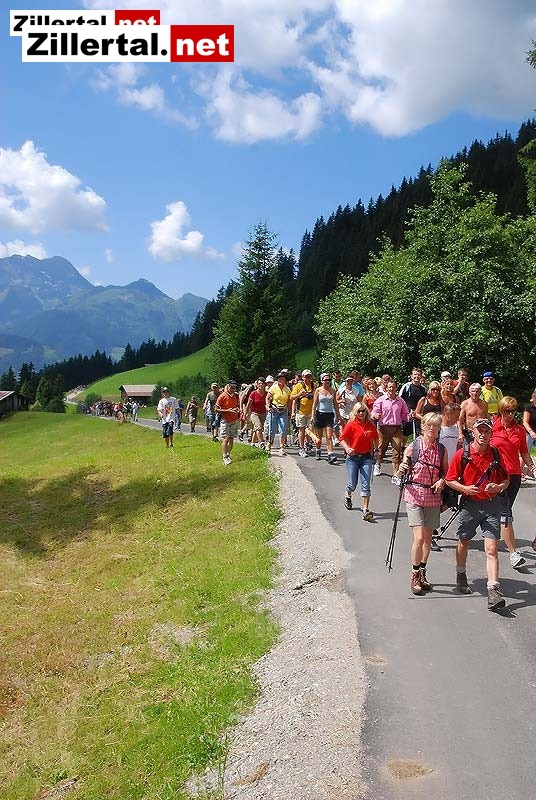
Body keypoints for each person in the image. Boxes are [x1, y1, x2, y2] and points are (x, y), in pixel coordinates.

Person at [445, 418, 510, 611]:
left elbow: (506, 480)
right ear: (472, 432)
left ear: (491, 434)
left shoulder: (495, 453)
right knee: (464, 541)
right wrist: (465, 489)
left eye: (486, 431)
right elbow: (449, 479)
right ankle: (461, 573)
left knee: (492, 549)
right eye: (479, 430)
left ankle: (493, 590)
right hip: (470, 505)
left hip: (491, 505)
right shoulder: (463, 454)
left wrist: (498, 487)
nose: (483, 434)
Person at [398, 412, 448, 595]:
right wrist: (402, 468)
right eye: (429, 425)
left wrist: (442, 481)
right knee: (419, 538)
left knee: (428, 539)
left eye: (436, 426)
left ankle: (422, 571)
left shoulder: (441, 449)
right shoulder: (414, 446)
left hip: (432, 497)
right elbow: (402, 469)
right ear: (423, 426)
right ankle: (414, 574)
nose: (432, 429)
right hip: (414, 495)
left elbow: (446, 472)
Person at [490, 396, 535, 569]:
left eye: (513, 411)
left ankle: (493, 535)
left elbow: (524, 452)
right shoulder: (493, 427)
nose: (511, 414)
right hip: (496, 475)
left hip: (514, 476)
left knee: (503, 510)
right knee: (505, 512)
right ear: (501, 411)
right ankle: (513, 553)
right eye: (507, 411)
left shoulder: (519, 430)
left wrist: (532, 467)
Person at [339, 403, 378, 520]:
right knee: (353, 484)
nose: (361, 413)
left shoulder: (370, 425)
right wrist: (347, 448)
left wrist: (376, 450)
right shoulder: (351, 425)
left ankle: (365, 510)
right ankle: (348, 494)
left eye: (363, 411)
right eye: (359, 411)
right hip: (353, 458)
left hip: (366, 458)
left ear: (366, 412)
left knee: (366, 484)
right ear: (355, 412)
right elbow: (342, 438)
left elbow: (375, 437)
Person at [371, 380, 410, 477]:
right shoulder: (381, 400)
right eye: (389, 387)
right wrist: (375, 415)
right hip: (383, 429)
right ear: (386, 388)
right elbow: (374, 411)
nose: (391, 389)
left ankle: (396, 474)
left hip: (396, 429)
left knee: (397, 452)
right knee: (381, 449)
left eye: (393, 387)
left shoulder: (401, 401)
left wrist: (409, 417)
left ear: (396, 388)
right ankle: (377, 464)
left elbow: (405, 414)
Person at [311, 373, 341, 463]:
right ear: (321, 381)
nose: (327, 381)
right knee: (319, 436)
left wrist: (338, 415)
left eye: (329, 380)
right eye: (325, 380)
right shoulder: (318, 390)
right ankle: (318, 450)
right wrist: (312, 416)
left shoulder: (333, 390)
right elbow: (314, 404)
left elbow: (335, 404)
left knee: (329, 436)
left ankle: (330, 454)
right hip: (319, 414)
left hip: (329, 414)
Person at [290, 369, 317, 457]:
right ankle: (301, 448)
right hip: (301, 412)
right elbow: (292, 397)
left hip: (311, 412)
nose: (308, 378)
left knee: (310, 430)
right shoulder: (299, 385)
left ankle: (307, 444)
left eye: (309, 377)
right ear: (303, 377)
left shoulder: (314, 385)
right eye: (306, 377)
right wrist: (300, 394)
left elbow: (317, 396)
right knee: (301, 430)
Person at [214, 382, 241, 465]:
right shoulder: (222, 396)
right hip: (225, 420)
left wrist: (238, 410)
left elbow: (238, 405)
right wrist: (227, 410)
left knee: (231, 438)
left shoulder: (236, 396)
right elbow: (216, 409)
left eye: (234, 388)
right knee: (225, 438)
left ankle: (228, 454)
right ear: (228, 386)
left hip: (234, 420)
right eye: (232, 387)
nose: (233, 389)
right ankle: (224, 456)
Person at [266, 372, 292, 456]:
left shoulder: (287, 389)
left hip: (283, 410)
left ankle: (282, 447)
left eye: (283, 379)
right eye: (279, 379)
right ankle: (269, 443)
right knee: (272, 429)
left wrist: (290, 411)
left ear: (285, 380)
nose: (281, 380)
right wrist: (268, 407)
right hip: (274, 409)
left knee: (283, 429)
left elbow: (289, 401)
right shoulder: (273, 388)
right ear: (277, 380)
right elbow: (268, 398)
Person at [399, 368, 426, 439]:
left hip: (418, 414)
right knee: (405, 435)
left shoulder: (423, 389)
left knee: (419, 434)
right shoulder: (406, 387)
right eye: (415, 374)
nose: (417, 376)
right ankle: (403, 446)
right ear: (411, 376)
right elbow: (400, 400)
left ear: (421, 376)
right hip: (408, 414)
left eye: (418, 375)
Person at [244, 377, 268, 448]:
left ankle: (252, 443)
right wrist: (245, 414)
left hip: (263, 414)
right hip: (254, 414)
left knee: (256, 429)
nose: (261, 385)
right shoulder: (253, 393)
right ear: (257, 385)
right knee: (259, 427)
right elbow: (248, 404)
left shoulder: (266, 394)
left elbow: (269, 403)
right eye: (259, 383)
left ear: (265, 385)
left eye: (262, 383)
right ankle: (261, 443)